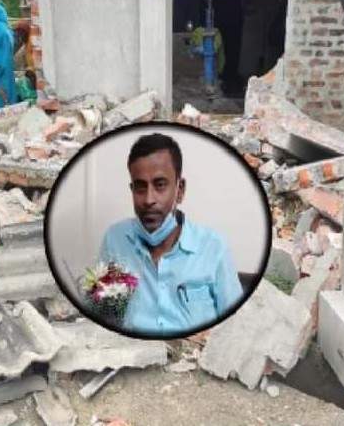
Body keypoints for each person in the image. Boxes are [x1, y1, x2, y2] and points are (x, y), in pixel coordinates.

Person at [98, 133, 243, 336]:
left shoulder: (213, 247)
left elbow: (237, 328)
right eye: (140, 187)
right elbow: (104, 316)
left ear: (180, 190)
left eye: (160, 185)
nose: (149, 199)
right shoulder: (115, 240)